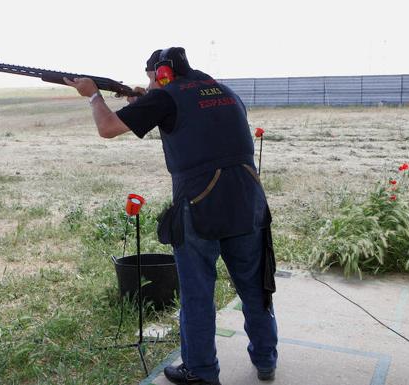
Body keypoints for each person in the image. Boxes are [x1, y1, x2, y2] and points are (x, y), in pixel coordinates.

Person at [64, 47, 278, 385]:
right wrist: (144, 102)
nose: (150, 84)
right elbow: (197, 121)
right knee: (254, 286)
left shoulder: (165, 95)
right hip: (248, 199)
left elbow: (106, 128)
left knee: (197, 293)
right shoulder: (224, 91)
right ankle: (266, 360)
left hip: (201, 203)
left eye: (152, 77)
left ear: (162, 72)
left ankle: (202, 371)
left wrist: (93, 95)